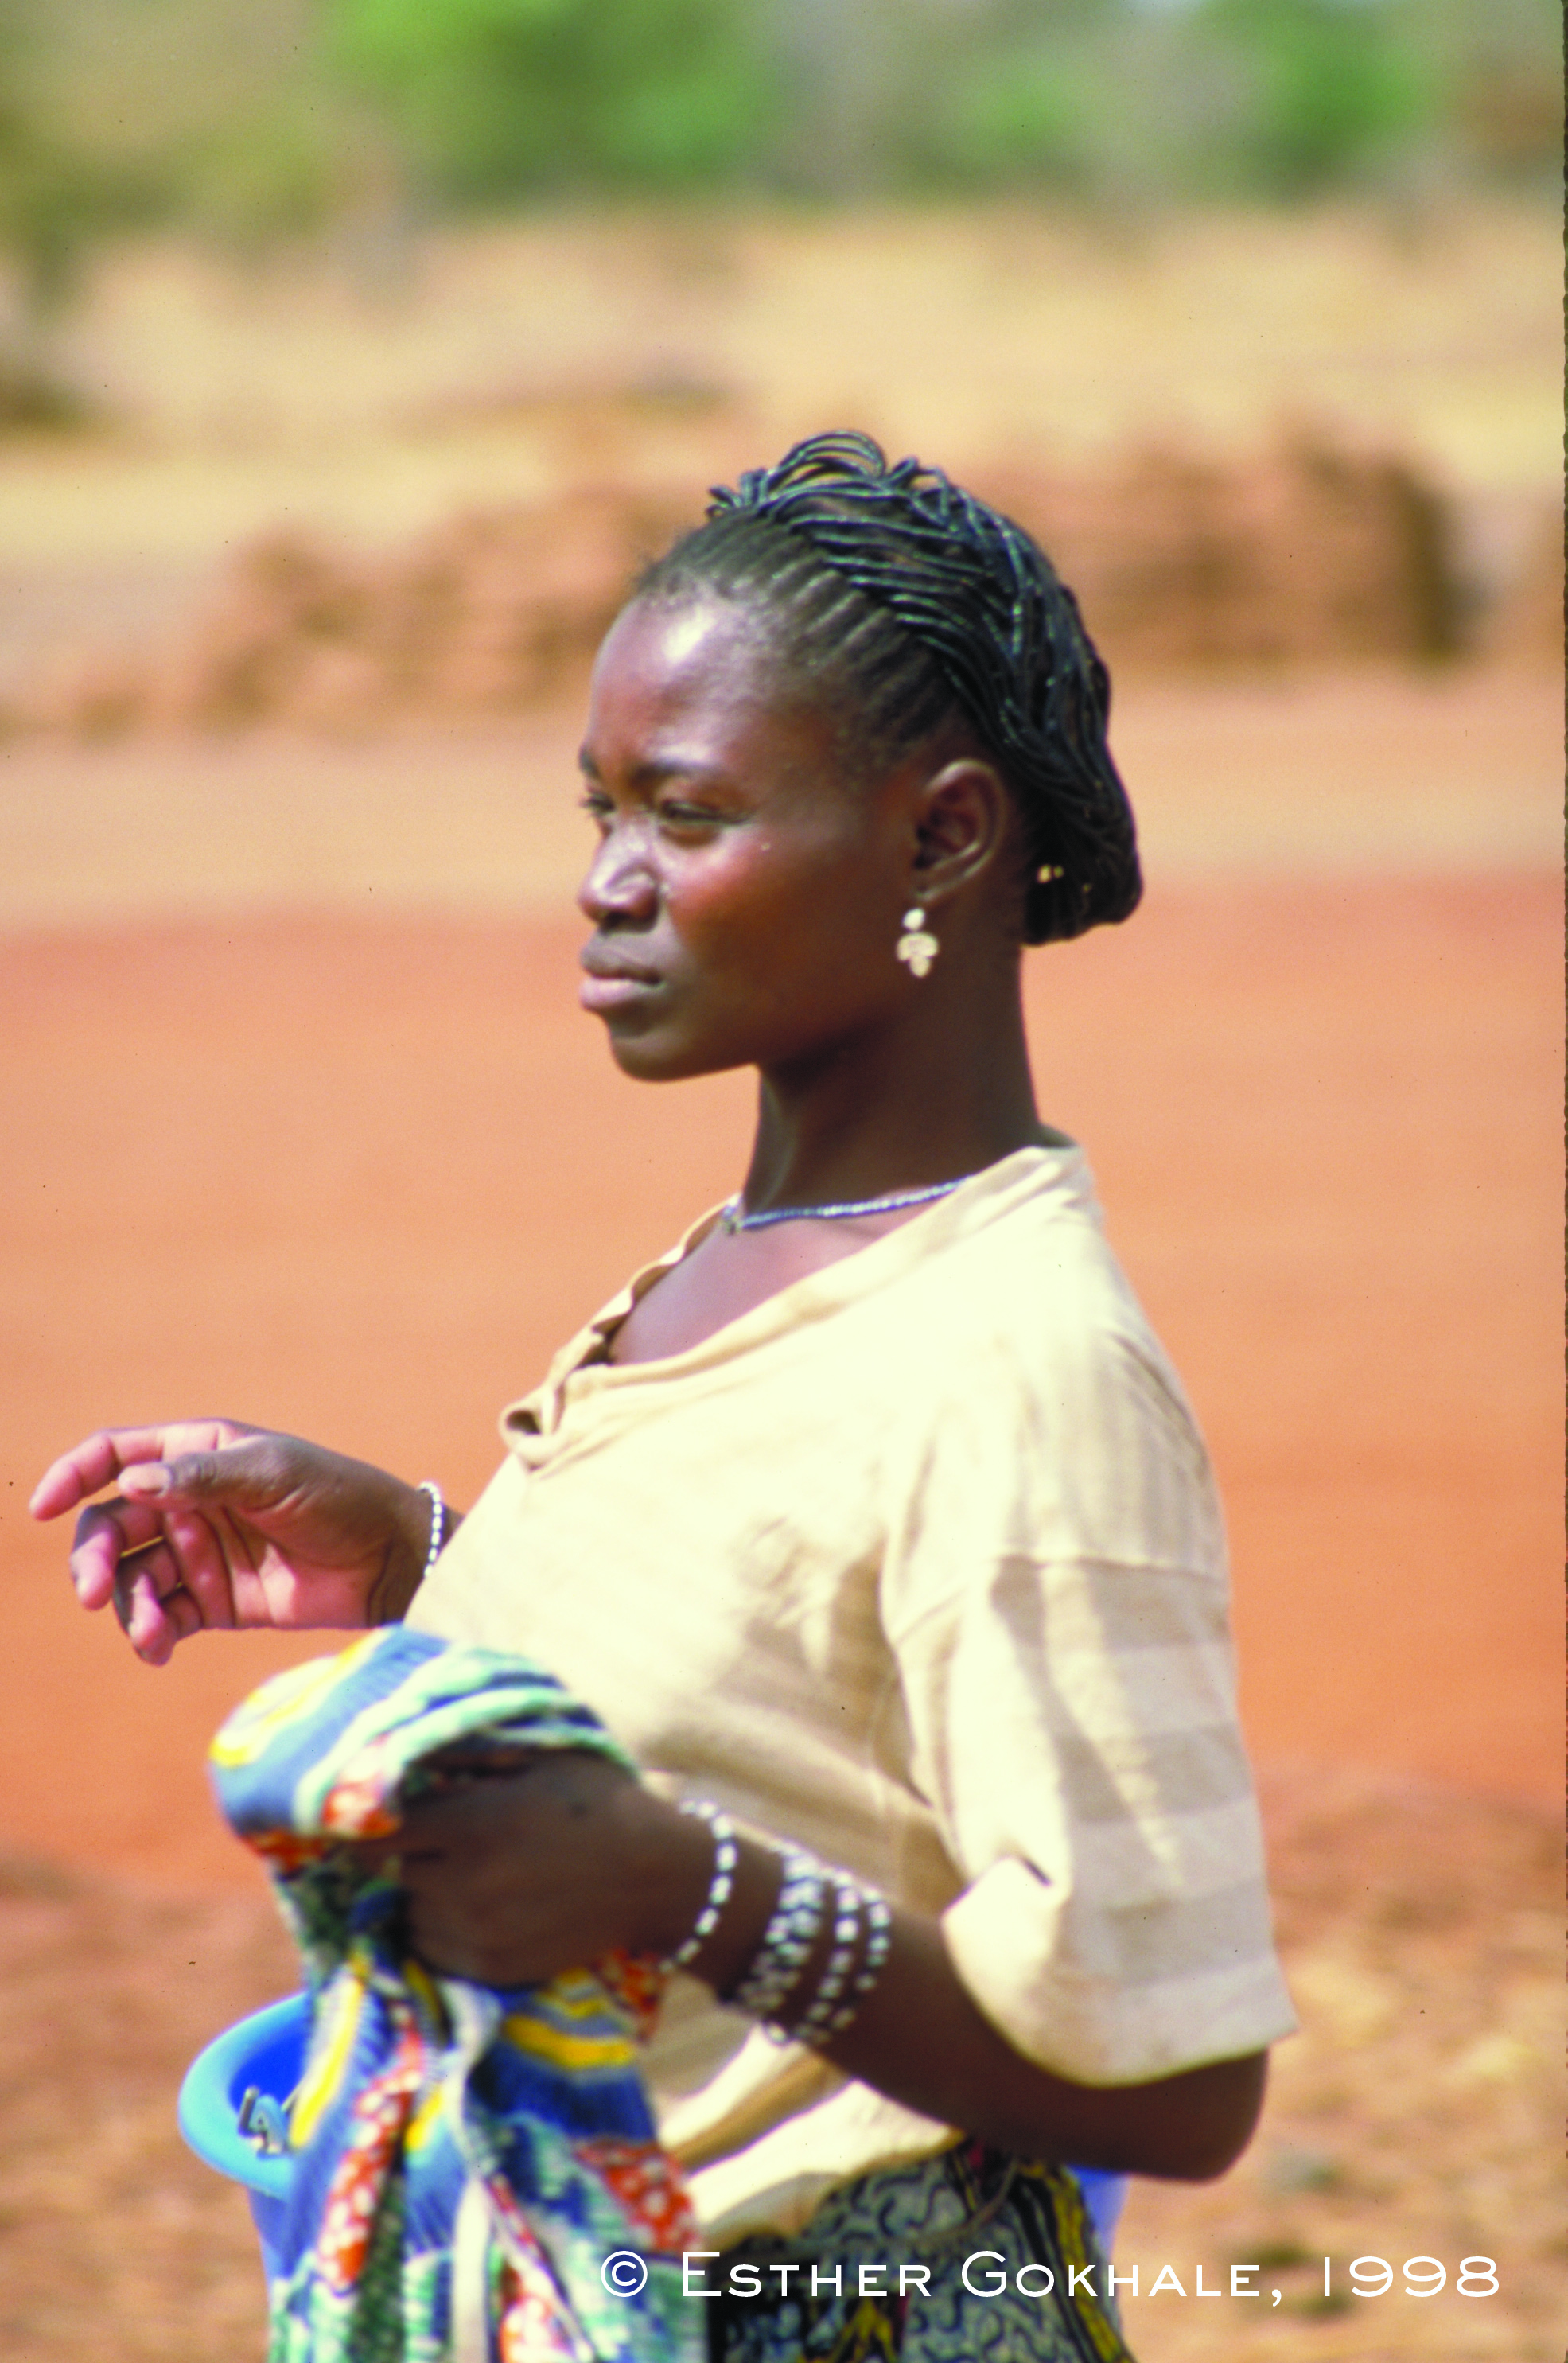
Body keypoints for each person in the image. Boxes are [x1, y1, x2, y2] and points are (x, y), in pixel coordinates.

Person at [33, 432, 1295, 2361]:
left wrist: (678, 1890)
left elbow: (1176, 2088)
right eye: (597, 812)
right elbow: (797, 1705)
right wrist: (428, 1562)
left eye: (683, 817)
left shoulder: (1021, 1369)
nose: (605, 890)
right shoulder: (743, 1258)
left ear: (941, 838)